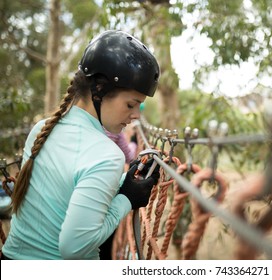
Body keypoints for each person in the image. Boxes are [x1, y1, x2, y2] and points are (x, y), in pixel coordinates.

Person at [1, 30, 161, 260]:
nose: (136, 115)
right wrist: (126, 200)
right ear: (99, 91)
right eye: (130, 104)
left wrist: (121, 186)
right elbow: (74, 248)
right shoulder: (107, 155)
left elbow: (60, 197)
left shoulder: (41, 130)